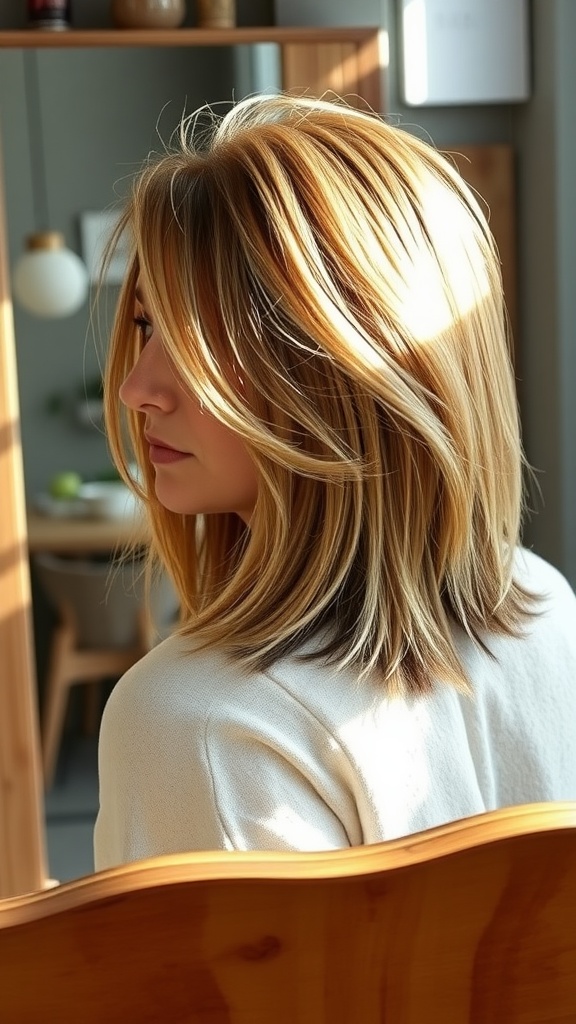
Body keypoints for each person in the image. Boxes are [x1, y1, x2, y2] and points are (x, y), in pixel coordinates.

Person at [94, 93, 576, 871]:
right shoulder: (548, 608)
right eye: (148, 326)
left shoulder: (198, 722)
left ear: (343, 375)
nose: (137, 388)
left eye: (201, 339)